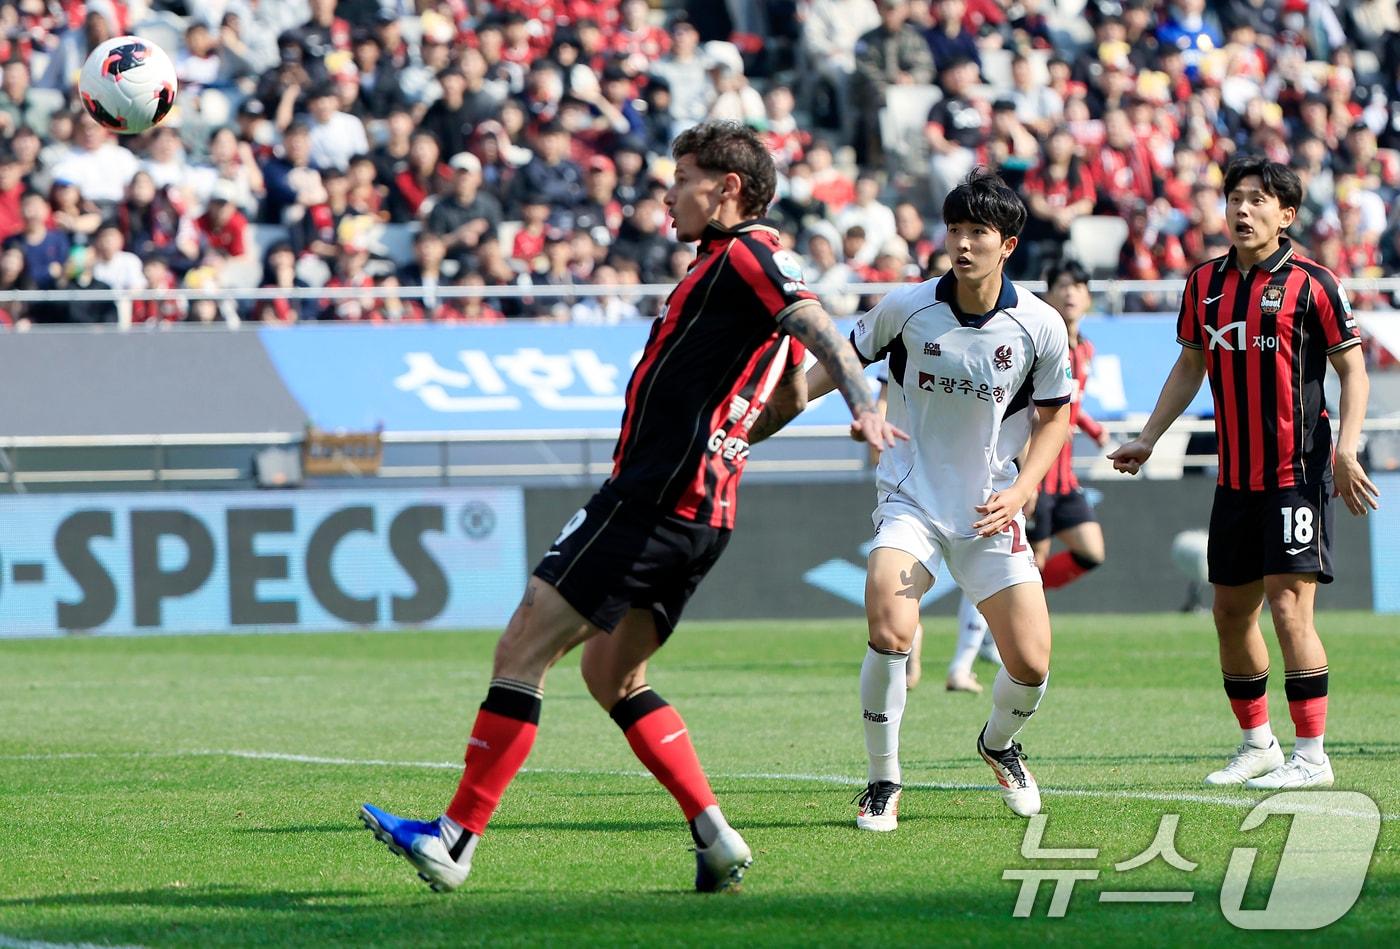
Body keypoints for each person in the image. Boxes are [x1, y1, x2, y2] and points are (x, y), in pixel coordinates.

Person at [359, 120, 904, 893]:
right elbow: (780, 393)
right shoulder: (733, 267)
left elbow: (819, 325)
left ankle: (454, 838)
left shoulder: (750, 255)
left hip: (649, 500)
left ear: (728, 189)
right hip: (703, 514)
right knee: (612, 673)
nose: (667, 191)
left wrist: (864, 402)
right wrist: (735, 440)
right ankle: (714, 836)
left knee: (521, 647)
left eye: (682, 177)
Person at [806, 169, 1073, 831]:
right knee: (890, 626)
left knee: (1032, 664)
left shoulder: (1039, 325)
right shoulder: (906, 306)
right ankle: (882, 779)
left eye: (977, 231)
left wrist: (1022, 488)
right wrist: (762, 415)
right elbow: (838, 359)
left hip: (989, 510)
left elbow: (1056, 417)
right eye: (954, 229)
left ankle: (999, 744)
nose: (962, 243)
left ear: (1007, 243)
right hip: (911, 500)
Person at [1110, 156, 1379, 790]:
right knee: (1230, 612)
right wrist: (1149, 437)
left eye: (1258, 199)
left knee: (1289, 605)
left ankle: (1311, 755)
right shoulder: (1205, 282)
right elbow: (1190, 366)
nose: (1242, 209)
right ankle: (1257, 743)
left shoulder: (1315, 283)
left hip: (1298, 471)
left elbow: (1354, 370)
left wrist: (1347, 449)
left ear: (1285, 215)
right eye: (1235, 197)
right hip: (1236, 479)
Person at [948, 259, 1107, 693]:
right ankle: (975, 649)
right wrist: (1023, 479)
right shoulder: (1037, 341)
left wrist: (1091, 428)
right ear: (1049, 294)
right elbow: (1028, 414)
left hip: (1066, 479)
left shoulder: (1086, 349)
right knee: (1016, 567)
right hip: (1035, 476)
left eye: (1078, 286)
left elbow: (1066, 407)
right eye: (1062, 286)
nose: (1071, 294)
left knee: (1090, 551)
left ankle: (1017, 607)